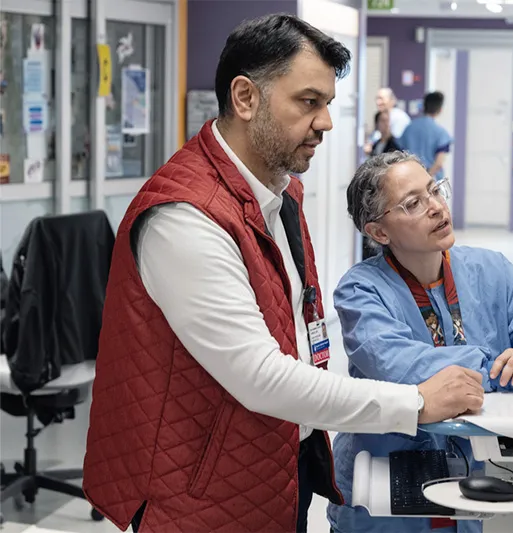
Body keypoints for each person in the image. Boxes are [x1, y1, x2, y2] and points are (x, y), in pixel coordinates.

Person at [82, 15, 484, 533]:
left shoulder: (279, 192)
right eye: (308, 102)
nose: (326, 123)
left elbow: (294, 329)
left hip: (269, 466)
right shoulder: (186, 217)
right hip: (198, 493)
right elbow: (259, 375)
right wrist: (414, 402)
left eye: (328, 105)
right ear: (245, 98)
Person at [327, 152, 513, 533]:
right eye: (413, 203)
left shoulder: (491, 270)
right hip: (386, 500)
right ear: (379, 233)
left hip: (483, 489)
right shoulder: (360, 291)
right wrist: (512, 372)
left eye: (435, 190)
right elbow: (401, 365)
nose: (436, 207)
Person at [399, 91, 451, 181]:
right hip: (431, 181)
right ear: (440, 110)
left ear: (423, 107)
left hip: (410, 178)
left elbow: (400, 154)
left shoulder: (409, 128)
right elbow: (438, 163)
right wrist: (426, 179)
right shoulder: (441, 132)